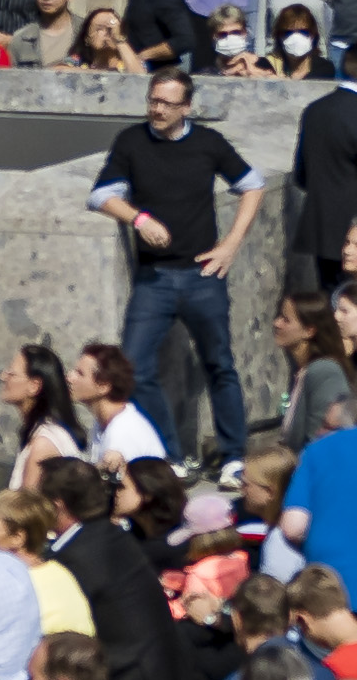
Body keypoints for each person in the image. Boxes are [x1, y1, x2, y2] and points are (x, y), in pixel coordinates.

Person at [96, 70, 259, 473]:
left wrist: (231, 245)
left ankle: (234, 457)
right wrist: (139, 220)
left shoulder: (208, 143)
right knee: (133, 367)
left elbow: (252, 185)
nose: (158, 110)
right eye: (153, 101)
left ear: (186, 107)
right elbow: (101, 195)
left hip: (203, 274)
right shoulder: (132, 141)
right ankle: (169, 455)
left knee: (219, 364)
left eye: (168, 104)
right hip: (154, 277)